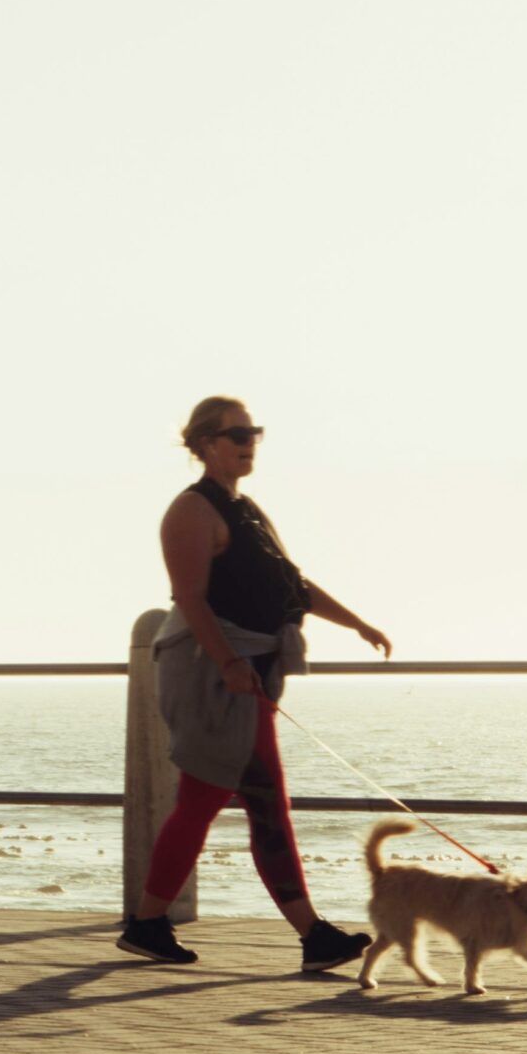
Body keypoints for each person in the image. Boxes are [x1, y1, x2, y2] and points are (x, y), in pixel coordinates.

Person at [121, 395, 388, 967]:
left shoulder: (246, 509)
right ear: (203, 444)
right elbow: (190, 599)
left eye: (254, 433)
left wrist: (357, 623)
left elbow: (293, 584)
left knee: (203, 801)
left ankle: (146, 923)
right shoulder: (191, 511)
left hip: (245, 675)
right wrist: (229, 665)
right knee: (263, 801)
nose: (247, 443)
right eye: (235, 433)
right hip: (212, 677)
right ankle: (311, 935)